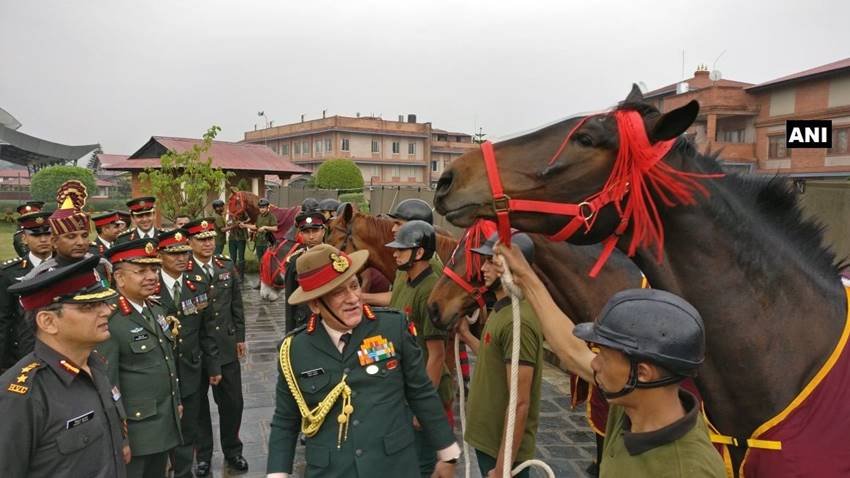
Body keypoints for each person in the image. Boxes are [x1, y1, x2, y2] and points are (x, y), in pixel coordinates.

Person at [495, 244, 726, 478]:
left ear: (643, 373)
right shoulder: (630, 407)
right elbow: (572, 351)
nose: (594, 363)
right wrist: (524, 276)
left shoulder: (690, 471)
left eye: (603, 356)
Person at [266, 244, 461, 478]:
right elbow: (285, 421)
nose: (353, 299)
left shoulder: (393, 327)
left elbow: (421, 392)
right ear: (315, 305)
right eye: (338, 292)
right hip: (332, 471)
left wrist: (448, 452)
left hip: (393, 467)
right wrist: (277, 474)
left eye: (354, 285)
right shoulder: (295, 350)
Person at [0, 255, 128, 477]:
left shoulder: (94, 364)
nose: (107, 311)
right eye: (89, 306)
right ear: (48, 322)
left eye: (103, 303)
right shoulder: (22, 396)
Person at [457, 232, 543, 478]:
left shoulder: (519, 321)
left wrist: (503, 467)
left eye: (491, 262)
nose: (483, 268)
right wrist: (466, 336)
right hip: (488, 443)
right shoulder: (502, 308)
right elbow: (492, 358)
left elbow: (520, 402)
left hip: (500, 451)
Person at [97, 238, 182, 478]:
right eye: (141, 271)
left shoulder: (154, 309)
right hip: (135, 433)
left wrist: (176, 402)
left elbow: (166, 361)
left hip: (162, 423)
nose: (152, 276)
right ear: (119, 278)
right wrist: (120, 438)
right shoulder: (111, 321)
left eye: (154, 269)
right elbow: (108, 384)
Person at [385, 220, 454, 477]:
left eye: (401, 249)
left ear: (419, 253)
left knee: (421, 464)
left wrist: (421, 406)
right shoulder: (405, 278)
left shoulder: (430, 291)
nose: (394, 253)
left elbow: (436, 356)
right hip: (403, 386)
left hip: (423, 390)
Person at [156, 229, 223, 478]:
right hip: (161, 374)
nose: (182, 258)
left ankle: (185, 471)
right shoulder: (150, 287)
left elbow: (207, 330)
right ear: (160, 256)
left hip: (192, 369)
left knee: (189, 427)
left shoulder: (197, 285)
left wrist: (214, 366)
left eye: (184, 253)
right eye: (174, 254)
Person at [186, 218, 249, 476]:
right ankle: (203, 456)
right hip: (197, 351)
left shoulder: (225, 265)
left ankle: (233, 451)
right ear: (190, 242)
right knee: (199, 407)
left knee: (233, 403)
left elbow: (237, 303)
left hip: (225, 346)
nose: (208, 243)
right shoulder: (185, 270)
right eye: (201, 239)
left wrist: (241, 337)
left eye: (210, 238)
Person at [0, 211, 53, 370]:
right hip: (23, 349)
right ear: (24, 238)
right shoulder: (9, 272)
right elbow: (4, 319)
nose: (43, 239)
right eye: (36, 235)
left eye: (47, 234)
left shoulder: (67, 268)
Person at [282, 209, 327, 331]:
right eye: (306, 232)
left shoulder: (334, 257)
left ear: (323, 231)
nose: (311, 236)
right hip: (304, 323)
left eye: (315, 231)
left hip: (330, 321)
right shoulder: (295, 262)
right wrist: (289, 334)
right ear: (300, 234)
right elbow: (290, 301)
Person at [249, 198, 278, 275]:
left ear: (267, 207)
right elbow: (256, 227)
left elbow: (275, 228)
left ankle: (269, 279)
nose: (261, 209)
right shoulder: (259, 217)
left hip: (267, 243)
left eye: (263, 207)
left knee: (267, 262)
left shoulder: (271, 216)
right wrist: (245, 225)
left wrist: (265, 227)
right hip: (259, 243)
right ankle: (261, 280)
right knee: (260, 262)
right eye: (260, 207)